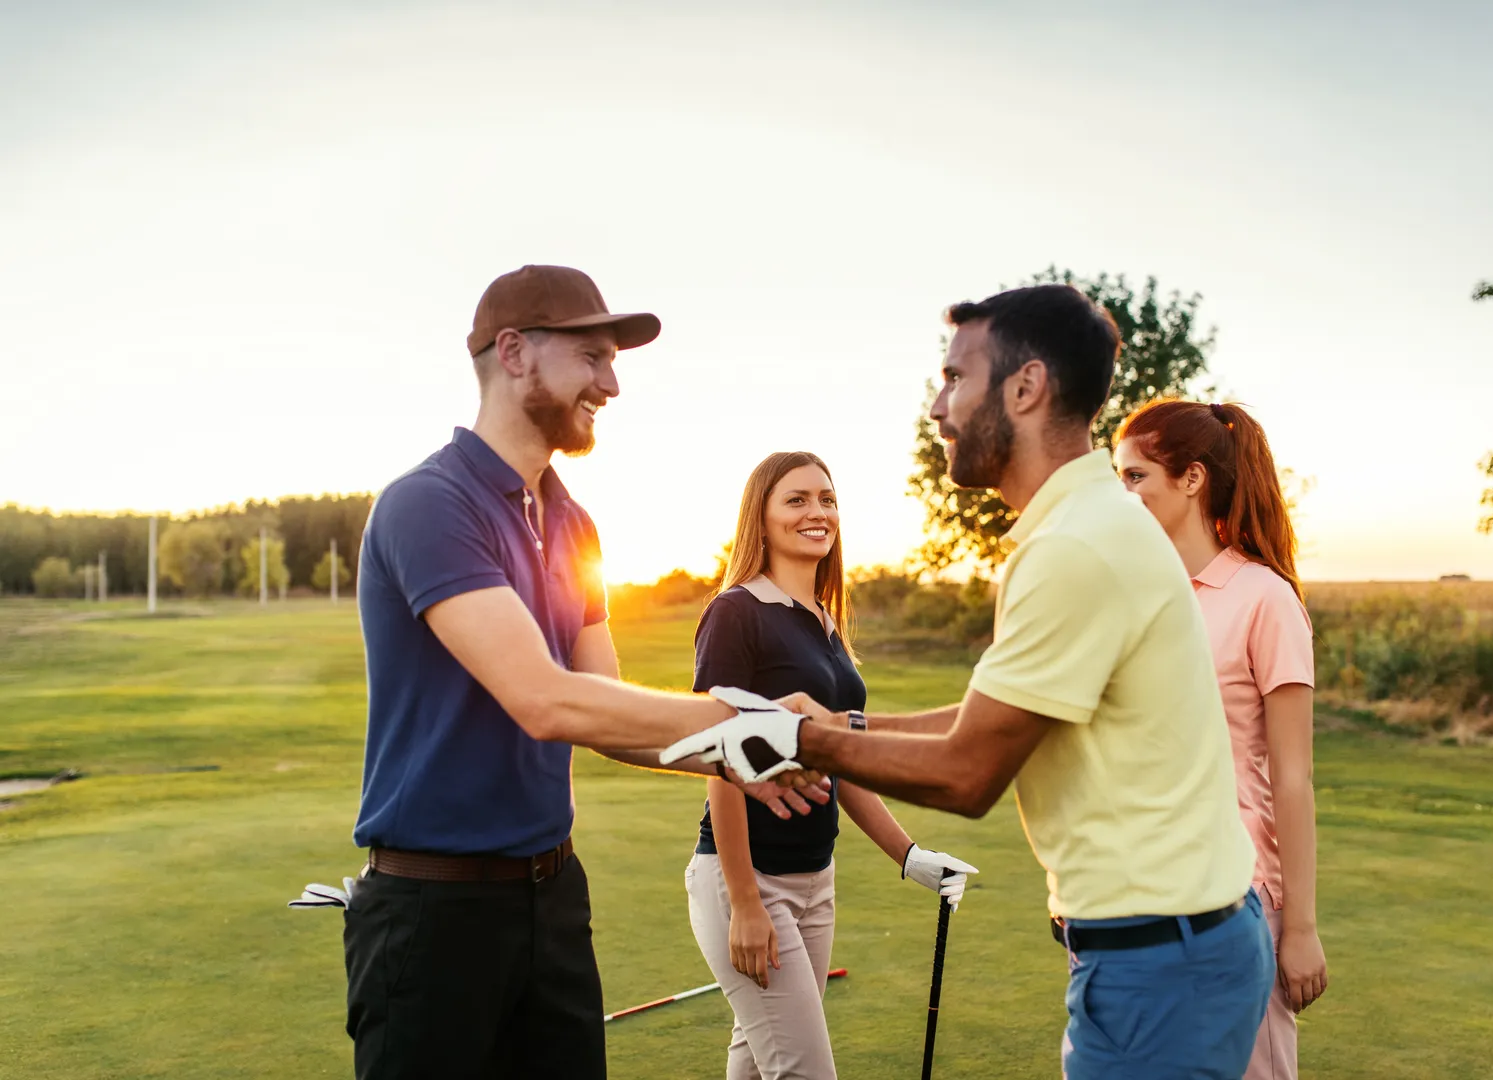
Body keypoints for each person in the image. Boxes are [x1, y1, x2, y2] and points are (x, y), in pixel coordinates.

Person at [668, 284, 1274, 1079]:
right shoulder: (1089, 525)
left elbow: (970, 769)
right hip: (1180, 947)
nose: (937, 407)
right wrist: (843, 730)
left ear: (1025, 389)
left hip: (1157, 961)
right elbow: (986, 717)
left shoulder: (1073, 546)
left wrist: (799, 736)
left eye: (955, 378)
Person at [345, 264, 823, 1080]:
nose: (612, 382)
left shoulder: (574, 523)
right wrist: (747, 720)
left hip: (553, 898)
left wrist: (737, 756)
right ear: (514, 352)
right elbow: (544, 700)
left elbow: (604, 707)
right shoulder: (430, 504)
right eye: (593, 357)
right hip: (433, 912)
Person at [684, 451, 978, 1080]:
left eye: (827, 498)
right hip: (750, 879)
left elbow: (836, 760)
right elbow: (719, 757)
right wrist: (744, 903)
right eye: (796, 499)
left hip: (817, 880)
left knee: (759, 1062)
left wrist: (909, 855)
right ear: (759, 519)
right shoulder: (736, 612)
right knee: (803, 1072)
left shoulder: (824, 622)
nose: (817, 512)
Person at [1115, 399, 1329, 1079]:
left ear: (1192, 479)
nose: (1124, 495)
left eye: (1135, 477)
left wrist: (1300, 928)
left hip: (1239, 903)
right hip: (1137, 895)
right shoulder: (1136, 595)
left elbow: (1292, 779)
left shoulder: (1265, 599)